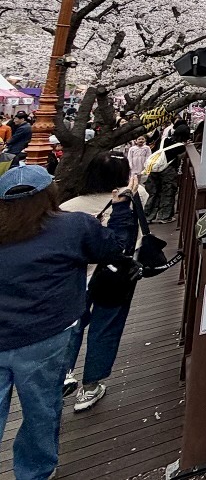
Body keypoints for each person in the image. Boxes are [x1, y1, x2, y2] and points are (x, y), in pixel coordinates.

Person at [0, 164, 128, 480]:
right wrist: (122, 210)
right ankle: (35, 472)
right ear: (49, 194)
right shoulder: (73, 228)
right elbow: (114, 247)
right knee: (41, 408)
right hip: (46, 335)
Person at [60, 154, 146, 410]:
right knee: (106, 327)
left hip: (78, 275)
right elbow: (138, 187)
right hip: (118, 274)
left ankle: (64, 374)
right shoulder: (135, 195)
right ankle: (89, 388)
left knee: (71, 325)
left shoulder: (69, 207)